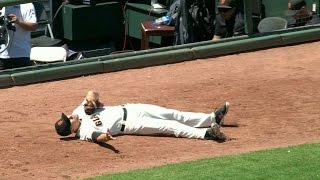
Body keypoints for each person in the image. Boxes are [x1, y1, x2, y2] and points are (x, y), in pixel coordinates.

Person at [55, 92, 231, 143]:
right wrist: (106, 138)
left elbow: (92, 93)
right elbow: (96, 137)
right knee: (169, 126)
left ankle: (212, 119)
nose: (70, 115)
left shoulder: (79, 110)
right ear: (72, 130)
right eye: (68, 119)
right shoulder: (84, 131)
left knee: (172, 114)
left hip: (132, 108)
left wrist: (93, 101)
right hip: (131, 124)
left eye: (67, 115)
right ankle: (207, 134)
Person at [0, 3, 37, 70]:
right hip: (1, 54)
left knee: (24, 79)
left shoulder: (27, 4)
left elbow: (33, 27)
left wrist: (18, 22)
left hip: (21, 53)